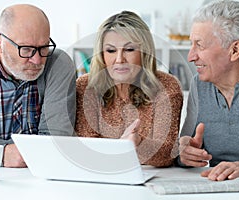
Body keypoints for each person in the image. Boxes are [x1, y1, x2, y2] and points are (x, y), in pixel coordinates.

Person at [0, 4, 76, 167]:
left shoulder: (58, 64)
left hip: (44, 179)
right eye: (26, 49)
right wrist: (3, 153)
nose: (37, 60)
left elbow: (55, 143)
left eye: (43, 47)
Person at [178, 0, 239, 180]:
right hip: (216, 187)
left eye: (200, 45)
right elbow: (183, 148)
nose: (191, 56)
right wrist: (184, 153)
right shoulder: (199, 85)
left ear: (235, 50)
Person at [75, 11, 183, 167]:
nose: (119, 59)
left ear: (144, 53)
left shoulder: (167, 86)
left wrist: (138, 143)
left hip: (151, 178)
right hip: (99, 175)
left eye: (129, 49)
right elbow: (87, 148)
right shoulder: (86, 86)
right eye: (111, 51)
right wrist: (122, 148)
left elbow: (167, 154)